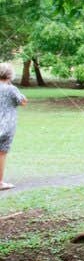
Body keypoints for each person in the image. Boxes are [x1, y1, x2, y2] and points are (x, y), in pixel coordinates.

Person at [0, 62, 28, 190]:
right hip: (6, 125)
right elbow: (23, 102)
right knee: (1, 153)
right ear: (10, 76)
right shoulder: (11, 89)